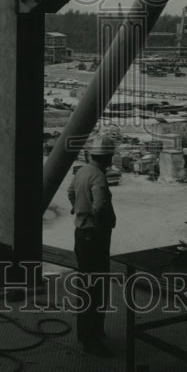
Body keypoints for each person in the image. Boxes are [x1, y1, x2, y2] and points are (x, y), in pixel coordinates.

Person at [67, 134, 117, 357]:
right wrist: (100, 224)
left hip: (81, 235)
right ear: (107, 157)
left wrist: (77, 208)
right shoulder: (98, 177)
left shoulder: (82, 171)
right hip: (94, 238)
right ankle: (92, 341)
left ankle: (87, 332)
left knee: (86, 285)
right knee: (96, 288)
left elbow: (70, 192)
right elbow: (101, 206)